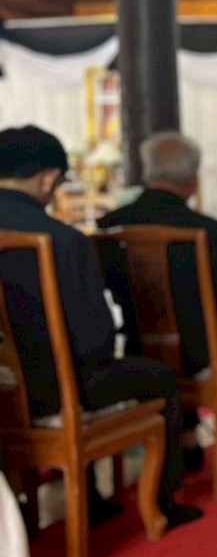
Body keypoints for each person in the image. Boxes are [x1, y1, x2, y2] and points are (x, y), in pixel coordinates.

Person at [0, 125, 202, 530]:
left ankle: (75, 498)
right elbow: (95, 342)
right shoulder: (63, 241)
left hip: (3, 393)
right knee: (156, 377)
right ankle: (163, 502)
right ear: (48, 179)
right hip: (55, 396)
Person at [99, 132, 217, 473]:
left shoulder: (109, 226)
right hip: (204, 349)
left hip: (137, 346)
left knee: (171, 343)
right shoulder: (207, 230)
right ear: (192, 180)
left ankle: (187, 439)